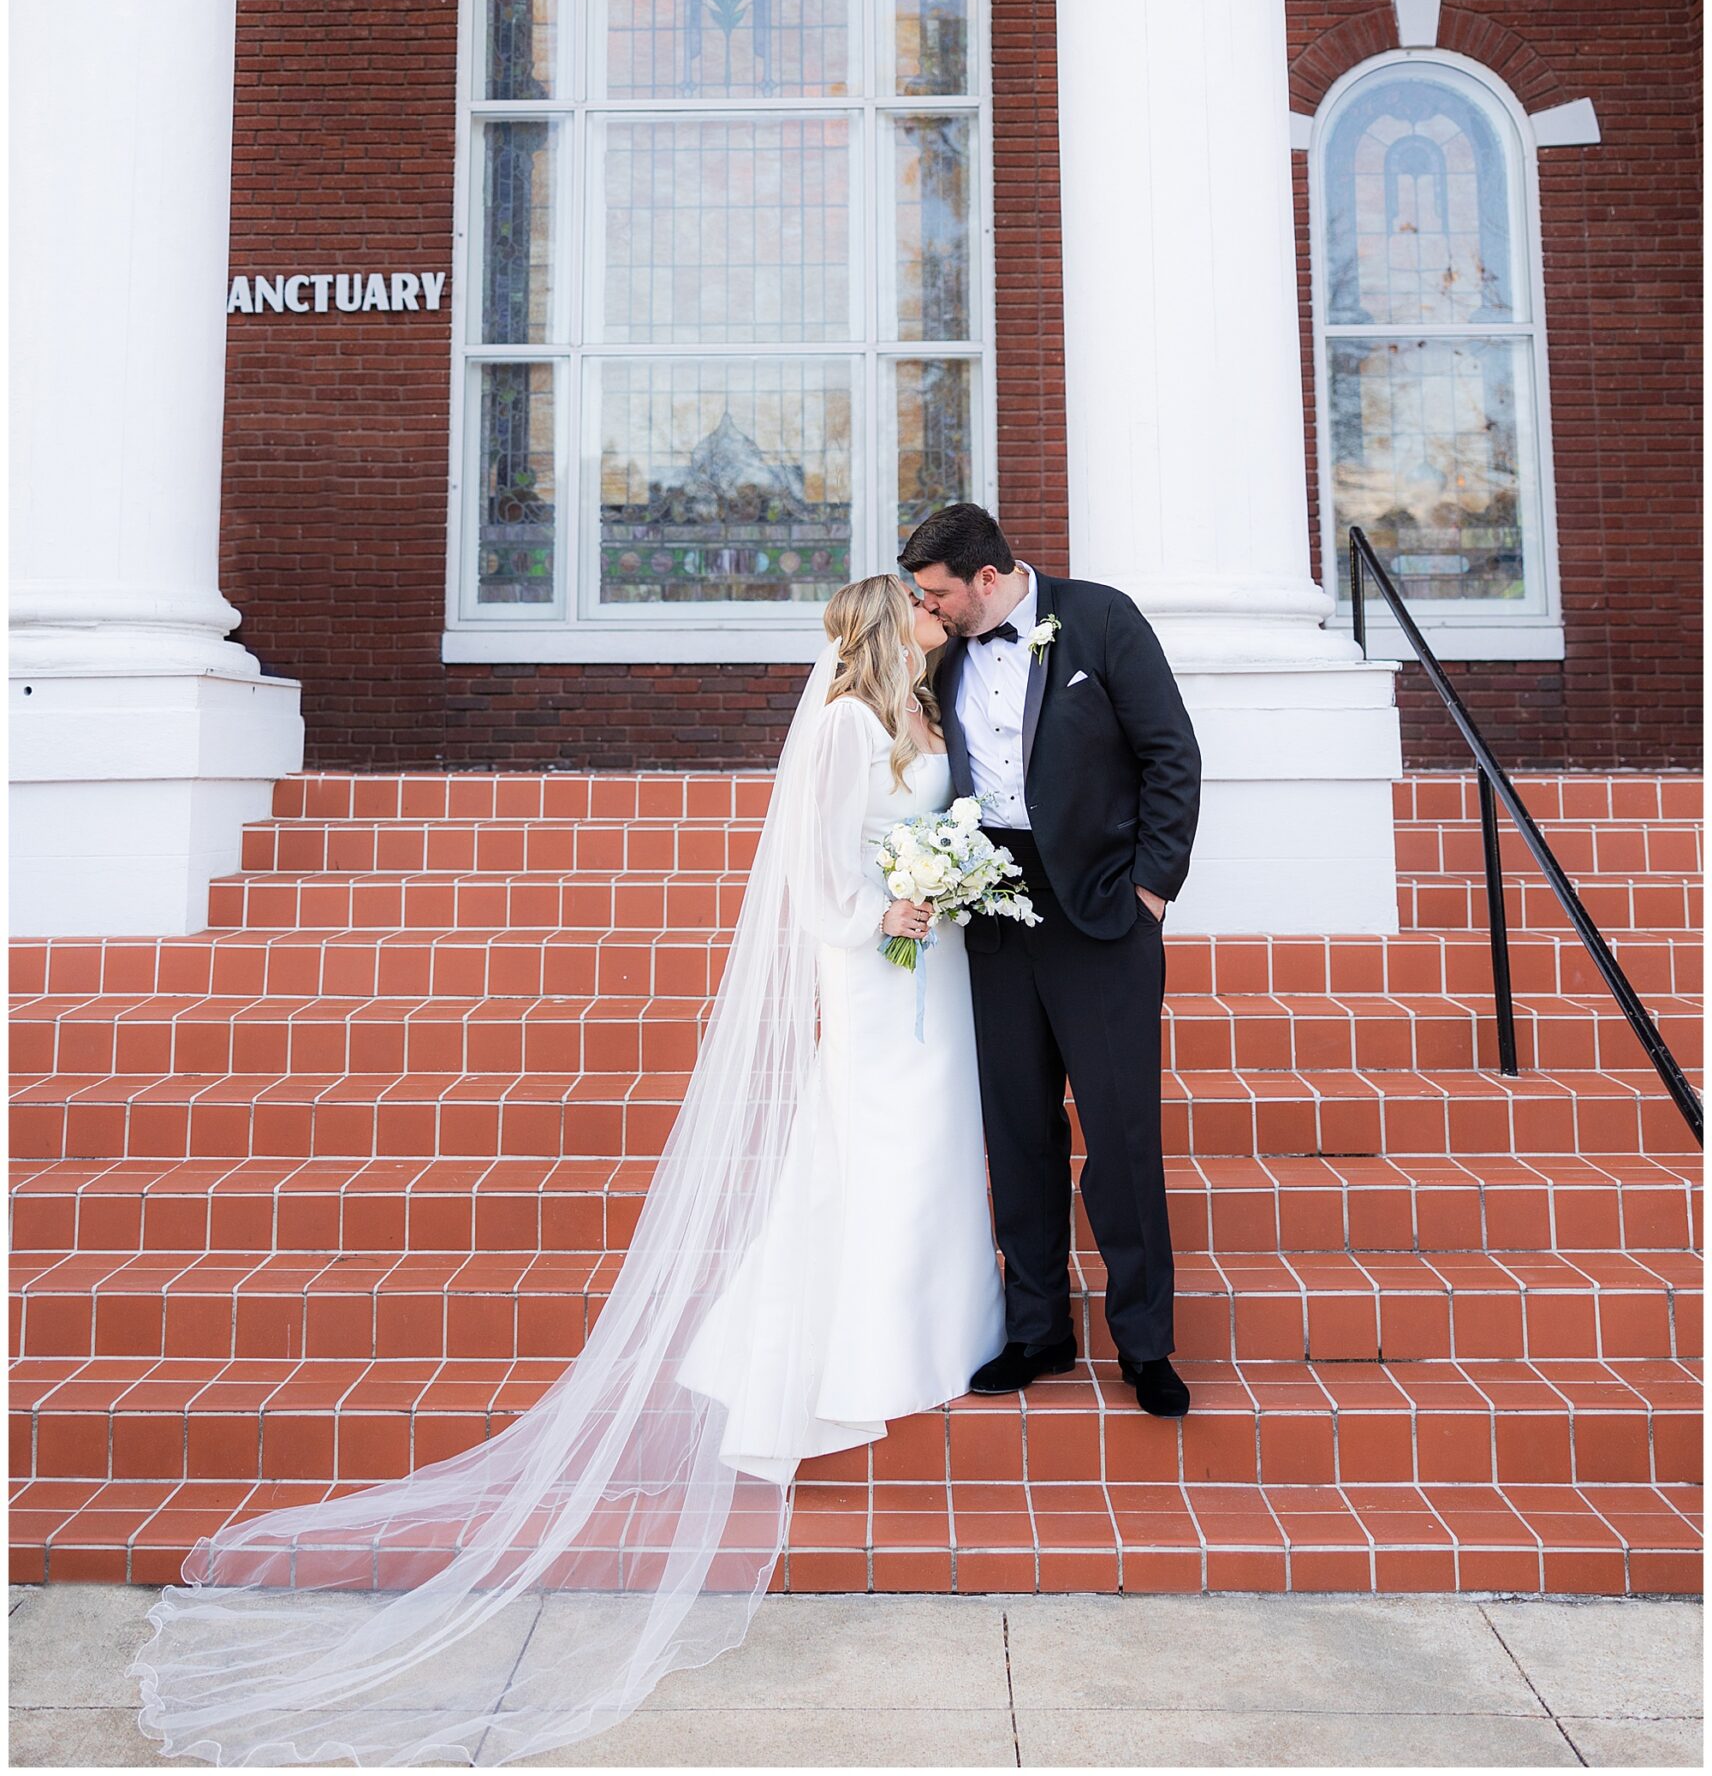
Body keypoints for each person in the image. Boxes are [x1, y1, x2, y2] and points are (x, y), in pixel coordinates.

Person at [132, 576, 1003, 1768]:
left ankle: (941, 1321)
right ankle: (860, 1347)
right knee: (877, 1144)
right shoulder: (849, 723)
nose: (932, 609)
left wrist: (941, 886)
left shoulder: (928, 714)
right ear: (878, 622)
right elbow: (817, 877)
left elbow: (933, 824)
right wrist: (889, 914)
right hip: (878, 963)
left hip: (934, 957)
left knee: (934, 1142)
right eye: (915, 600)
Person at [898, 503, 1203, 1418]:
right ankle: (1038, 1331)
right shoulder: (940, 646)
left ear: (987, 579)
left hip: (1104, 913)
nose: (930, 608)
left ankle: (1144, 1344)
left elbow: (1171, 755)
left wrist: (1152, 889)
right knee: (1017, 1133)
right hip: (988, 910)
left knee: (1120, 1137)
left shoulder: (1101, 617)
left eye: (940, 593)